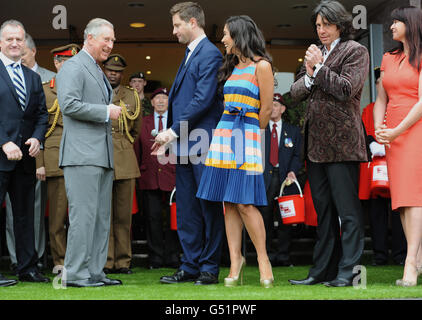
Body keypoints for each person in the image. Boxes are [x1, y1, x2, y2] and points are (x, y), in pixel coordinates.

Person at [289, 0, 370, 287]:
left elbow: (346, 89)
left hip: (343, 143)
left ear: (340, 24)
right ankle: (321, 271)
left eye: (326, 24)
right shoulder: (315, 53)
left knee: (347, 212)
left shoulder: (355, 51)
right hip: (316, 144)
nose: (321, 30)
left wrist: (318, 67)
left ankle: (349, 273)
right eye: (318, 25)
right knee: (323, 212)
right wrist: (311, 72)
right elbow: (295, 92)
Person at [196, 15, 274, 288]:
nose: (223, 39)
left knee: (244, 202)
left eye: (227, 34)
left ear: (240, 36)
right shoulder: (230, 66)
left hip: (247, 134)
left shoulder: (262, 66)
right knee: (227, 202)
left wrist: (252, 134)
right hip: (224, 132)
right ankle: (235, 260)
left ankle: (263, 260)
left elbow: (266, 109)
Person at [155, 2, 225, 285]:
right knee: (186, 209)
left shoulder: (209, 53)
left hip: (201, 142)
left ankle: (209, 267)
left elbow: (203, 99)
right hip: (186, 145)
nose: (174, 31)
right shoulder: (191, 53)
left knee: (208, 206)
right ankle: (190, 265)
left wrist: (172, 131)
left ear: (193, 22)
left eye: (177, 25)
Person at [56, 18, 123, 288]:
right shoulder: (73, 65)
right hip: (82, 155)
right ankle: (75, 274)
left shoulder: (93, 67)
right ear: (89, 38)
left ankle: (94, 272)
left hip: (100, 156)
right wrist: (105, 112)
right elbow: (69, 105)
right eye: (106, 39)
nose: (110, 45)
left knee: (99, 219)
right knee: (83, 217)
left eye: (112, 40)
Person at [373, 6, 422, 287]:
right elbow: (381, 98)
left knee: (415, 197)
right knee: (402, 200)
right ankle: (417, 259)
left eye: (396, 22)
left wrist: (395, 131)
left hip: (414, 131)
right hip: (392, 133)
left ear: (411, 24)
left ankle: (410, 266)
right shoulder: (388, 58)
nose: (391, 26)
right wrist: (380, 129)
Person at [0, 19, 49, 285]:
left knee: (25, 216)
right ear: (1, 42)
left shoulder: (32, 77)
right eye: (9, 39)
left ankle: (28, 268)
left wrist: (36, 138)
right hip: (1, 156)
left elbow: (41, 114)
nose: (15, 43)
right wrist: (3, 141)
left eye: (19, 39)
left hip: (25, 161)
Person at [34, 43, 80, 271]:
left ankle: (80, 260)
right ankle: (60, 261)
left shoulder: (83, 88)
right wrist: (39, 162)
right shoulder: (44, 89)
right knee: (58, 216)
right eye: (68, 63)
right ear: (57, 64)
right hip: (56, 158)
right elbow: (38, 128)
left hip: (81, 157)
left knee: (81, 214)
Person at [359, 67, 406, 266]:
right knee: (377, 213)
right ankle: (379, 255)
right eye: (379, 84)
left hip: (397, 165)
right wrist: (371, 144)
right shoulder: (369, 109)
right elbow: (363, 132)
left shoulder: (400, 107)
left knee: (399, 212)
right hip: (376, 171)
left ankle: (400, 254)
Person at [103, 53, 142, 275]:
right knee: (104, 215)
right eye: (109, 70)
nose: (113, 74)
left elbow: (135, 130)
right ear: (104, 70)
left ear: (122, 74)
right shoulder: (95, 90)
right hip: (101, 157)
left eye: (117, 71)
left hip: (125, 159)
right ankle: (107, 261)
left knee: (123, 215)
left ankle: (123, 261)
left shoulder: (131, 95)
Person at [134, 87, 179, 269]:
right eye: (157, 98)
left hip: (172, 177)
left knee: (172, 219)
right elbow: (137, 149)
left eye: (164, 98)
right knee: (152, 219)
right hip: (149, 177)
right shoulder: (143, 122)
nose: (160, 101)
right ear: (151, 102)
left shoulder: (176, 123)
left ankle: (173, 256)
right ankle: (155, 258)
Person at [259, 93, 302, 267]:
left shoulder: (292, 130)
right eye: (270, 105)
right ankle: (266, 256)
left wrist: (293, 171)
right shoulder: (260, 130)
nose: (273, 108)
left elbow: (297, 155)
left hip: (286, 180)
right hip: (265, 179)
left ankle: (283, 256)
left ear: (283, 109)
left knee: (286, 219)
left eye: (276, 105)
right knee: (265, 218)